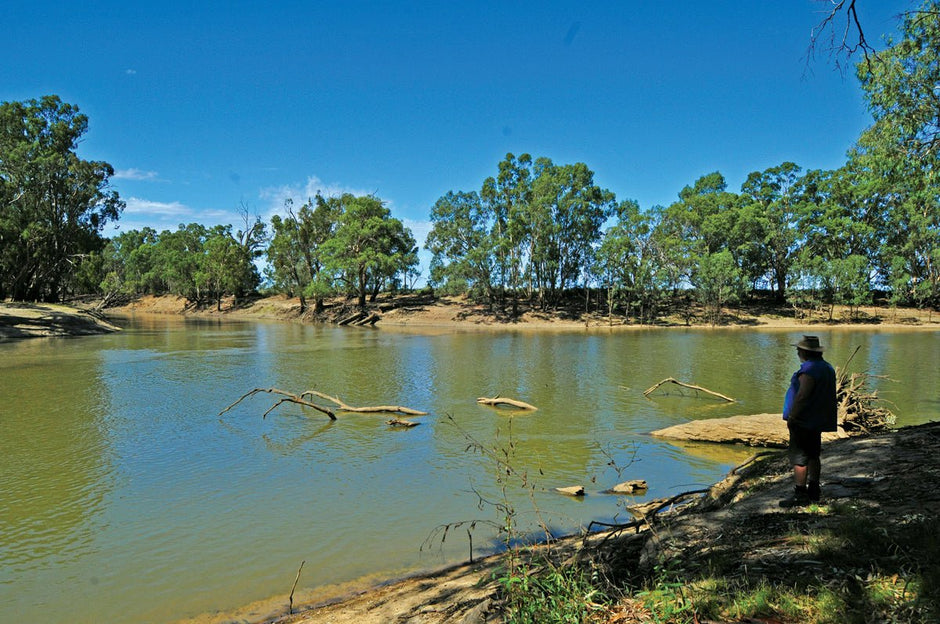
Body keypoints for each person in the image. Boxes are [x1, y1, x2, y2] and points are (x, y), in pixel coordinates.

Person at [780, 335, 838, 508]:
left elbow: (803, 396)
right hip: (815, 419)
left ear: (805, 352)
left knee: (799, 457)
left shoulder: (810, 370)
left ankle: (800, 494)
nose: (797, 352)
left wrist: (793, 417)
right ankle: (814, 490)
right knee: (813, 454)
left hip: (804, 420)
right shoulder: (826, 367)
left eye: (799, 350)